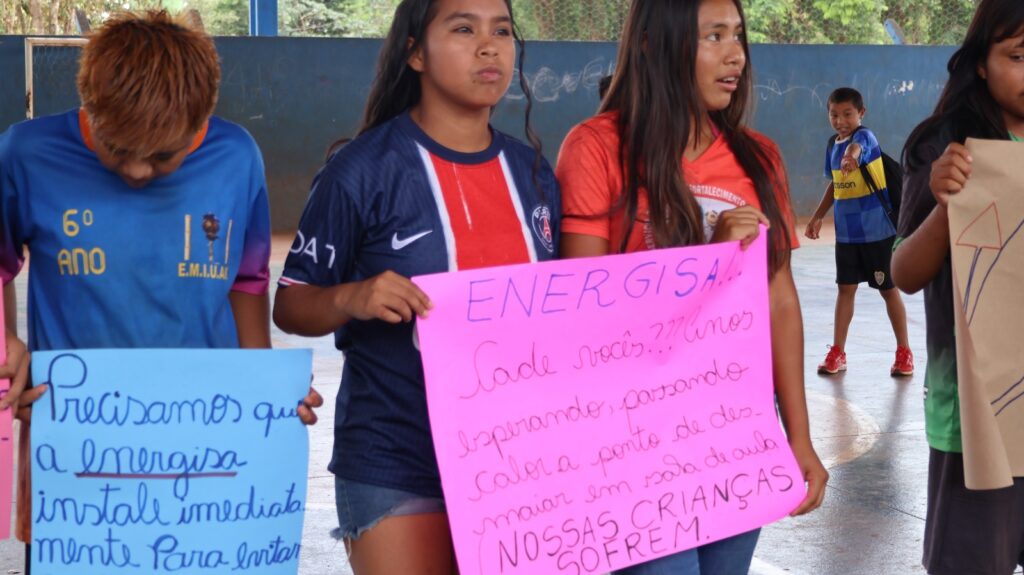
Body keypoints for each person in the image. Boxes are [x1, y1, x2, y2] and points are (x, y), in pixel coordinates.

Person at [0, 11, 322, 572]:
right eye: (116, 148)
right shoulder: (25, 154)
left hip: (209, 446)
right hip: (77, 455)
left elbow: (246, 283)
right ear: (89, 108)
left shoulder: (236, 157)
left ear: (204, 117)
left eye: (164, 156)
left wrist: (265, 390)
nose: (138, 171)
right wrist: (5, 348)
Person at [271, 0, 560, 572]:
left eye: (501, 31)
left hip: (522, 461)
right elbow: (291, 305)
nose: (489, 46)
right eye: (463, 28)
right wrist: (352, 297)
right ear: (415, 52)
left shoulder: (534, 174)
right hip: (395, 458)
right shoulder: (359, 170)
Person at [554, 0, 827, 573]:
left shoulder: (759, 157)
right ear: (655, 44)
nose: (736, 55)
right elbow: (582, 311)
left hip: (736, 430)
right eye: (713, 36)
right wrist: (708, 261)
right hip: (633, 442)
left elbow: (779, 301)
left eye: (739, 36)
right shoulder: (597, 146)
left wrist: (796, 437)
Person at [892, 1, 1024, 572]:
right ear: (979, 63)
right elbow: (904, 273)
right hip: (976, 416)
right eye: (1019, 57)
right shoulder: (948, 149)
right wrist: (948, 208)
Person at [805, 87, 913, 377]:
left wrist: (852, 156)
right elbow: (834, 183)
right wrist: (817, 216)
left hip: (877, 232)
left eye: (847, 114)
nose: (840, 120)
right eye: (834, 114)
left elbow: (857, 149)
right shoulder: (832, 144)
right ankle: (838, 352)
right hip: (847, 234)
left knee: (888, 290)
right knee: (845, 289)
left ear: (861, 113)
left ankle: (904, 352)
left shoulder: (865, 137)